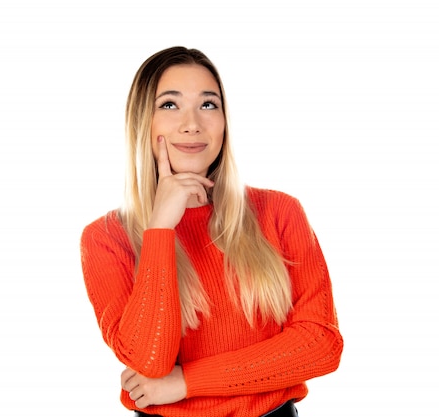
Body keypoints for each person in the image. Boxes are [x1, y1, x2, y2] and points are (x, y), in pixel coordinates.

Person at [80, 46, 343, 417]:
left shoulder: (280, 212)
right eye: (169, 105)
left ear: (224, 121)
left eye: (208, 105)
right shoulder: (106, 238)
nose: (192, 124)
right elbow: (149, 361)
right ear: (143, 122)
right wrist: (159, 230)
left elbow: (321, 344)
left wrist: (187, 382)